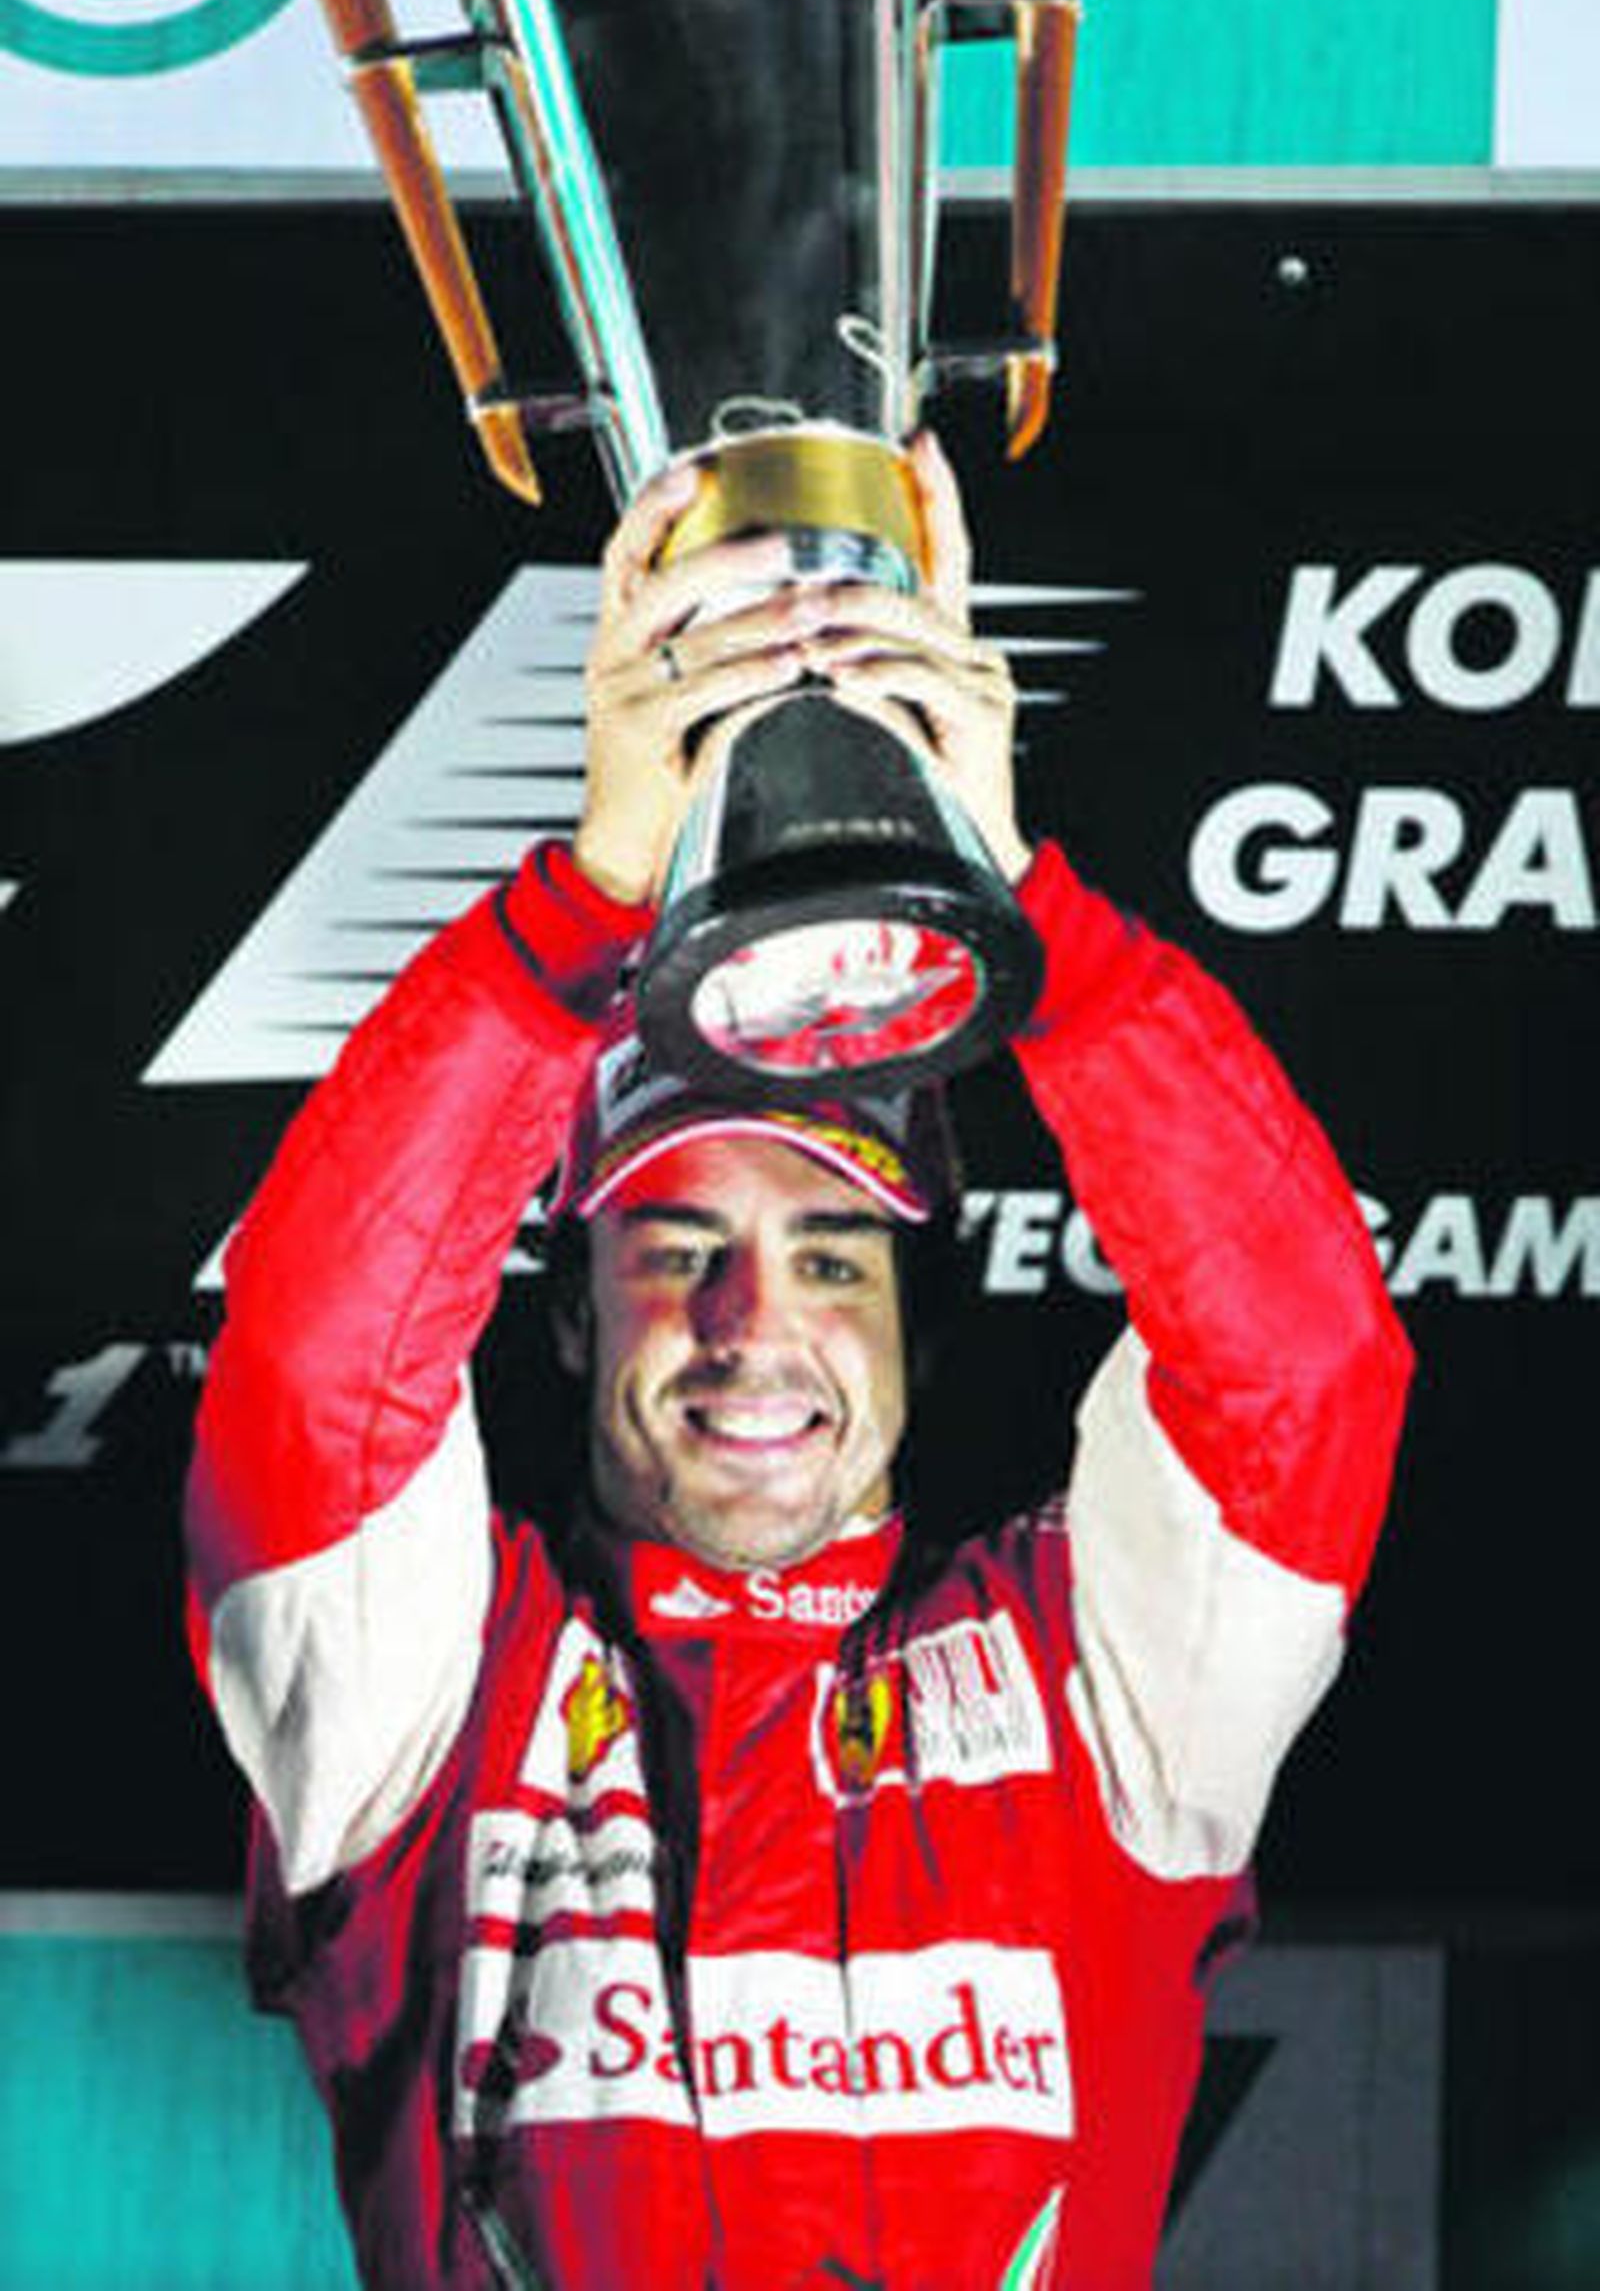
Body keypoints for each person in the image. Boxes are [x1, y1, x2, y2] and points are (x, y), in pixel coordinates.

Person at [186, 435, 1411, 2290]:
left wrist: (1020, 902)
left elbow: (1301, 1373)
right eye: (677, 1250)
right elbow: (311, 1383)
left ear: (913, 1318)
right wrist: (588, 900)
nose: (751, 1325)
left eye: (828, 1252)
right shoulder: (429, 1699)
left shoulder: (1100, 1691)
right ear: (573, 1310)